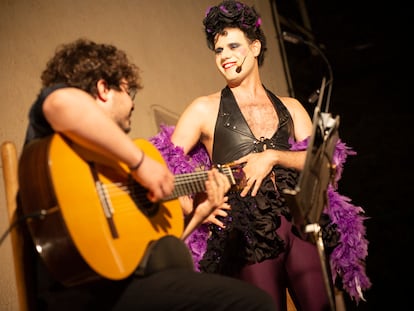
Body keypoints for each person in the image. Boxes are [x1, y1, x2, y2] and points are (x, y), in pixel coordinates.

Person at [19, 38, 278, 311]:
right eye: (128, 94)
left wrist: (201, 213)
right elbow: (59, 102)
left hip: (121, 286)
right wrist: (141, 163)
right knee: (256, 303)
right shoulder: (62, 137)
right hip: (82, 294)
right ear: (103, 89)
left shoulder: (112, 167)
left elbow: (151, 258)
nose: (132, 106)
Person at [149, 1, 371, 311]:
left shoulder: (292, 107)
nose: (225, 55)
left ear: (254, 47)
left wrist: (274, 157)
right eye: (218, 50)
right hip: (245, 235)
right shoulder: (203, 108)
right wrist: (197, 206)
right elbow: (162, 167)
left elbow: (326, 164)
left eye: (233, 46)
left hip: (299, 225)